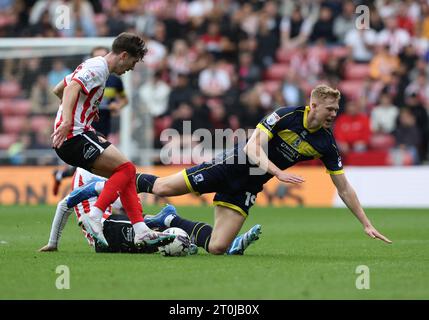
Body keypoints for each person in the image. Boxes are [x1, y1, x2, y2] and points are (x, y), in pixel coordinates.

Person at [69, 85, 392, 255]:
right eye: (331, 108)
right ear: (314, 105)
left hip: (249, 185)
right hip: (231, 164)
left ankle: (171, 220)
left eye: (337, 109)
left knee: (218, 248)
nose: (335, 113)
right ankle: (105, 181)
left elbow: (344, 187)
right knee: (163, 188)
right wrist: (277, 171)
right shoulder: (285, 115)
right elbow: (252, 147)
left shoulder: (326, 143)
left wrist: (366, 223)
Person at [50, 32, 174, 248]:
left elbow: (58, 89)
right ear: (124, 55)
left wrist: (86, 108)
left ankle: (141, 230)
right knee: (126, 169)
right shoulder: (98, 68)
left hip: (78, 134)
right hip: (74, 136)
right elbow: (70, 89)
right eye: (133, 62)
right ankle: (95, 215)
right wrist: (68, 121)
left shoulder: (95, 67)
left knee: (126, 174)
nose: (131, 69)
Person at [40, 168, 257, 255]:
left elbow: (64, 206)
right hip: (104, 232)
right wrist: (52, 243)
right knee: (155, 236)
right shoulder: (92, 177)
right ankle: (174, 230)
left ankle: (227, 244)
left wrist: (53, 243)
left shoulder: (88, 175)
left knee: (155, 233)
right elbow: (71, 201)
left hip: (109, 231)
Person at [51, 46, 129, 196]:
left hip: (100, 123)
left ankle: (65, 182)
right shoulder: (93, 71)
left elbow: (124, 100)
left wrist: (116, 106)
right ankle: (92, 204)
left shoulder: (114, 80)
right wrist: (68, 119)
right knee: (112, 168)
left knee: (100, 167)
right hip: (82, 128)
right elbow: (68, 89)